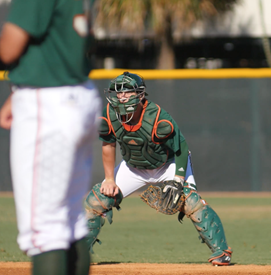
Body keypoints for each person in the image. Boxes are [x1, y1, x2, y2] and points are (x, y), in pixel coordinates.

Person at [83, 72, 233, 266]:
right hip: (133, 168)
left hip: (167, 164)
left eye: (127, 92)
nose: (121, 97)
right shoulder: (110, 114)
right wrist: (109, 179)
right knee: (96, 200)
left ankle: (222, 252)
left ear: (140, 94)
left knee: (190, 201)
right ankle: (80, 256)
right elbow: (108, 145)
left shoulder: (157, 118)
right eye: (118, 93)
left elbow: (181, 148)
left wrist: (178, 179)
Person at [0, 0, 100, 274]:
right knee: (71, 219)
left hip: (49, 103)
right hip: (80, 94)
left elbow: (9, 48)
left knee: (45, 228)